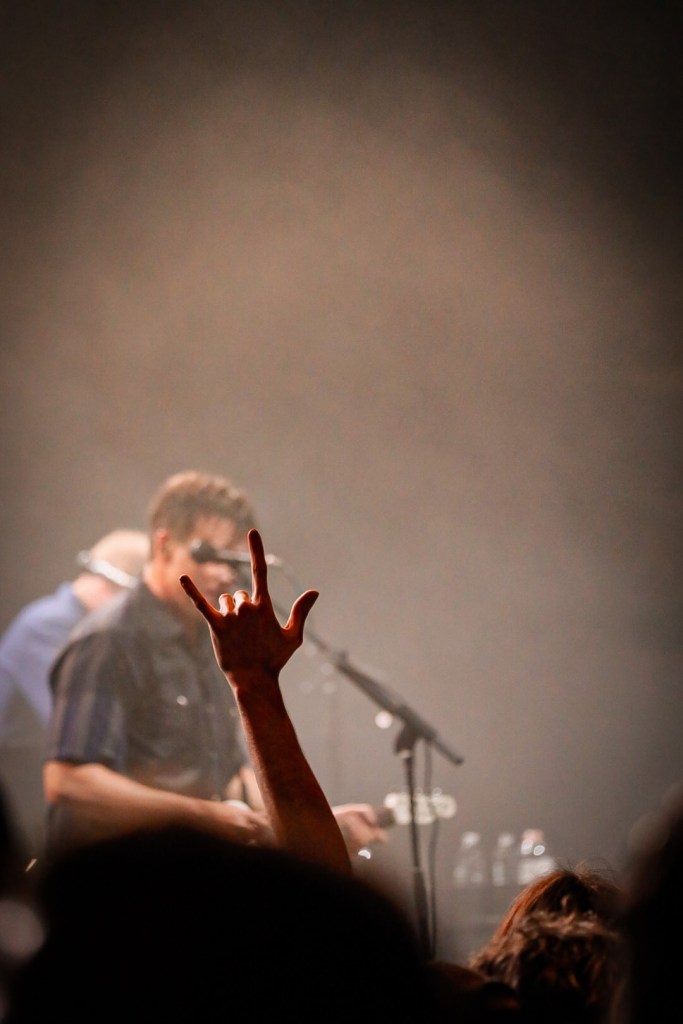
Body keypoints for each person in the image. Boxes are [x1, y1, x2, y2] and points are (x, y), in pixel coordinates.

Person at [44, 470, 387, 859]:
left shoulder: (209, 638)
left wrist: (309, 823)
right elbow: (68, 781)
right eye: (210, 556)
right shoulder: (108, 639)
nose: (225, 575)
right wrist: (201, 817)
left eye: (233, 560)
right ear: (164, 545)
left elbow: (228, 775)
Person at [0, 529, 149, 856]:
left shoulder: (77, 626)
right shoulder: (49, 626)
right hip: (19, 793)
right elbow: (75, 727)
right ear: (109, 588)